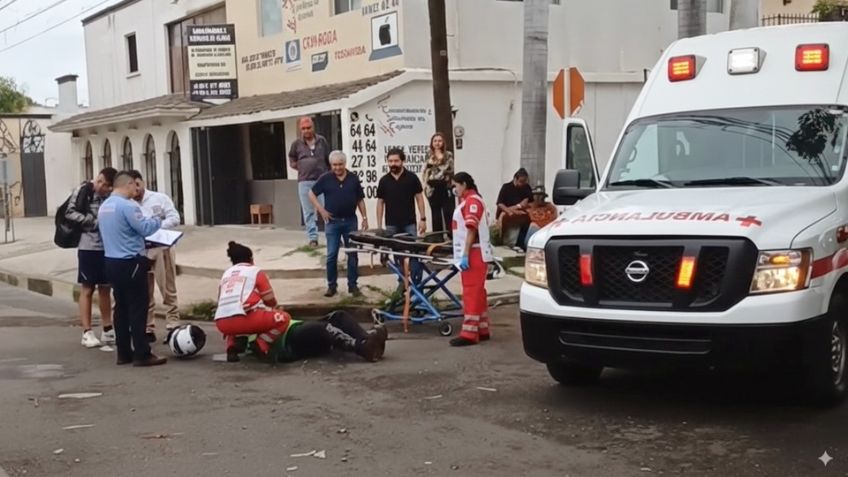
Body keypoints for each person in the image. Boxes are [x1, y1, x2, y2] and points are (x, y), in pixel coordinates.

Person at [214, 241, 387, 363]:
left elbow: (230, 319)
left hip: (293, 329)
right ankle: (361, 346)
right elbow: (270, 301)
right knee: (321, 328)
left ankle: (368, 338)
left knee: (338, 317)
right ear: (250, 259)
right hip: (286, 341)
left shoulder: (231, 319)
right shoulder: (247, 321)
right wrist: (272, 309)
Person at [98, 171, 167, 367]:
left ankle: (123, 353)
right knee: (138, 307)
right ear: (127, 184)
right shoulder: (128, 206)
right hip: (131, 262)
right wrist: (157, 218)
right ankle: (142, 353)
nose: (137, 190)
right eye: (135, 186)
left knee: (120, 308)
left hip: (111, 261)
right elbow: (145, 229)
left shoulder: (105, 207)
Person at [125, 170, 182, 343]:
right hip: (142, 249)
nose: (135, 190)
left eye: (137, 185)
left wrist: (155, 227)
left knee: (167, 286)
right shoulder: (129, 204)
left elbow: (174, 217)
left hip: (162, 247)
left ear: (142, 182)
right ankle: (148, 326)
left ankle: (173, 323)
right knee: (145, 289)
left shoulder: (159, 198)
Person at [65, 167, 118, 348]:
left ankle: (107, 328)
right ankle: (87, 331)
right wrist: (92, 221)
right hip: (88, 246)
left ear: (111, 187)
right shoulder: (83, 190)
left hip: (107, 246)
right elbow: (69, 213)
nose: (100, 185)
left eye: (105, 184)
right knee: (87, 288)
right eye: (99, 180)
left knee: (106, 287)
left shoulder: (112, 197)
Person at [308, 151, 368, 298]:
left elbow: (360, 199)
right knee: (331, 255)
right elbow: (311, 193)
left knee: (352, 254)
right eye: (334, 165)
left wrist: (365, 217)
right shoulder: (326, 178)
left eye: (340, 164)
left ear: (345, 164)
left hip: (350, 221)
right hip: (332, 223)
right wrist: (321, 210)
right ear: (331, 165)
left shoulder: (353, 179)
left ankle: (353, 286)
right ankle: (331, 286)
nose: (337, 168)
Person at [450, 172, 495, 347]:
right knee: (478, 293)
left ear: (464, 184)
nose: (454, 190)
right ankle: (482, 329)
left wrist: (466, 254)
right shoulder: (470, 201)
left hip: (474, 253)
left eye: (456, 186)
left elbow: (471, 229)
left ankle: (469, 333)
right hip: (474, 252)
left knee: (471, 292)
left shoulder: (472, 202)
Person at [288, 116, 330, 248]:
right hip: (304, 182)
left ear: (313, 127)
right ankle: (313, 238)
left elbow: (328, 157)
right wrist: (300, 167)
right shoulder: (296, 144)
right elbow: (292, 159)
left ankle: (332, 235)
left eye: (308, 127)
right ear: (300, 129)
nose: (306, 130)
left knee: (327, 209)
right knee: (308, 212)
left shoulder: (322, 141)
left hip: (322, 180)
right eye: (303, 128)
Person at [376, 148, 426, 237]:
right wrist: (379, 226)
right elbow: (380, 203)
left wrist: (423, 219)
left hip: (409, 223)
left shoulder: (412, 178)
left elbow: (419, 199)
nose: (393, 164)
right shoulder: (384, 181)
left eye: (396, 161)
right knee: (392, 250)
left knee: (411, 249)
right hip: (391, 224)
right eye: (390, 161)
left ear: (403, 161)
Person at [421, 132, 455, 235]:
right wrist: (425, 185)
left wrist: (437, 164)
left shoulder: (448, 155)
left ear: (443, 142)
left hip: (444, 186)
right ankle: (437, 236)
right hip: (432, 187)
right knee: (435, 214)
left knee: (448, 212)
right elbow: (425, 170)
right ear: (432, 143)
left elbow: (450, 169)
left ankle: (450, 236)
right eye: (435, 141)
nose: (437, 143)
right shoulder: (428, 154)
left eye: (439, 141)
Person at [496, 168, 533, 252]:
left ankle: (521, 245)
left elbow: (529, 202)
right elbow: (500, 203)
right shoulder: (506, 187)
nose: (523, 184)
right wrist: (513, 209)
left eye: (525, 181)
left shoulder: (526, 187)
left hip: (522, 216)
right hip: (509, 215)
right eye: (521, 181)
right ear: (515, 179)